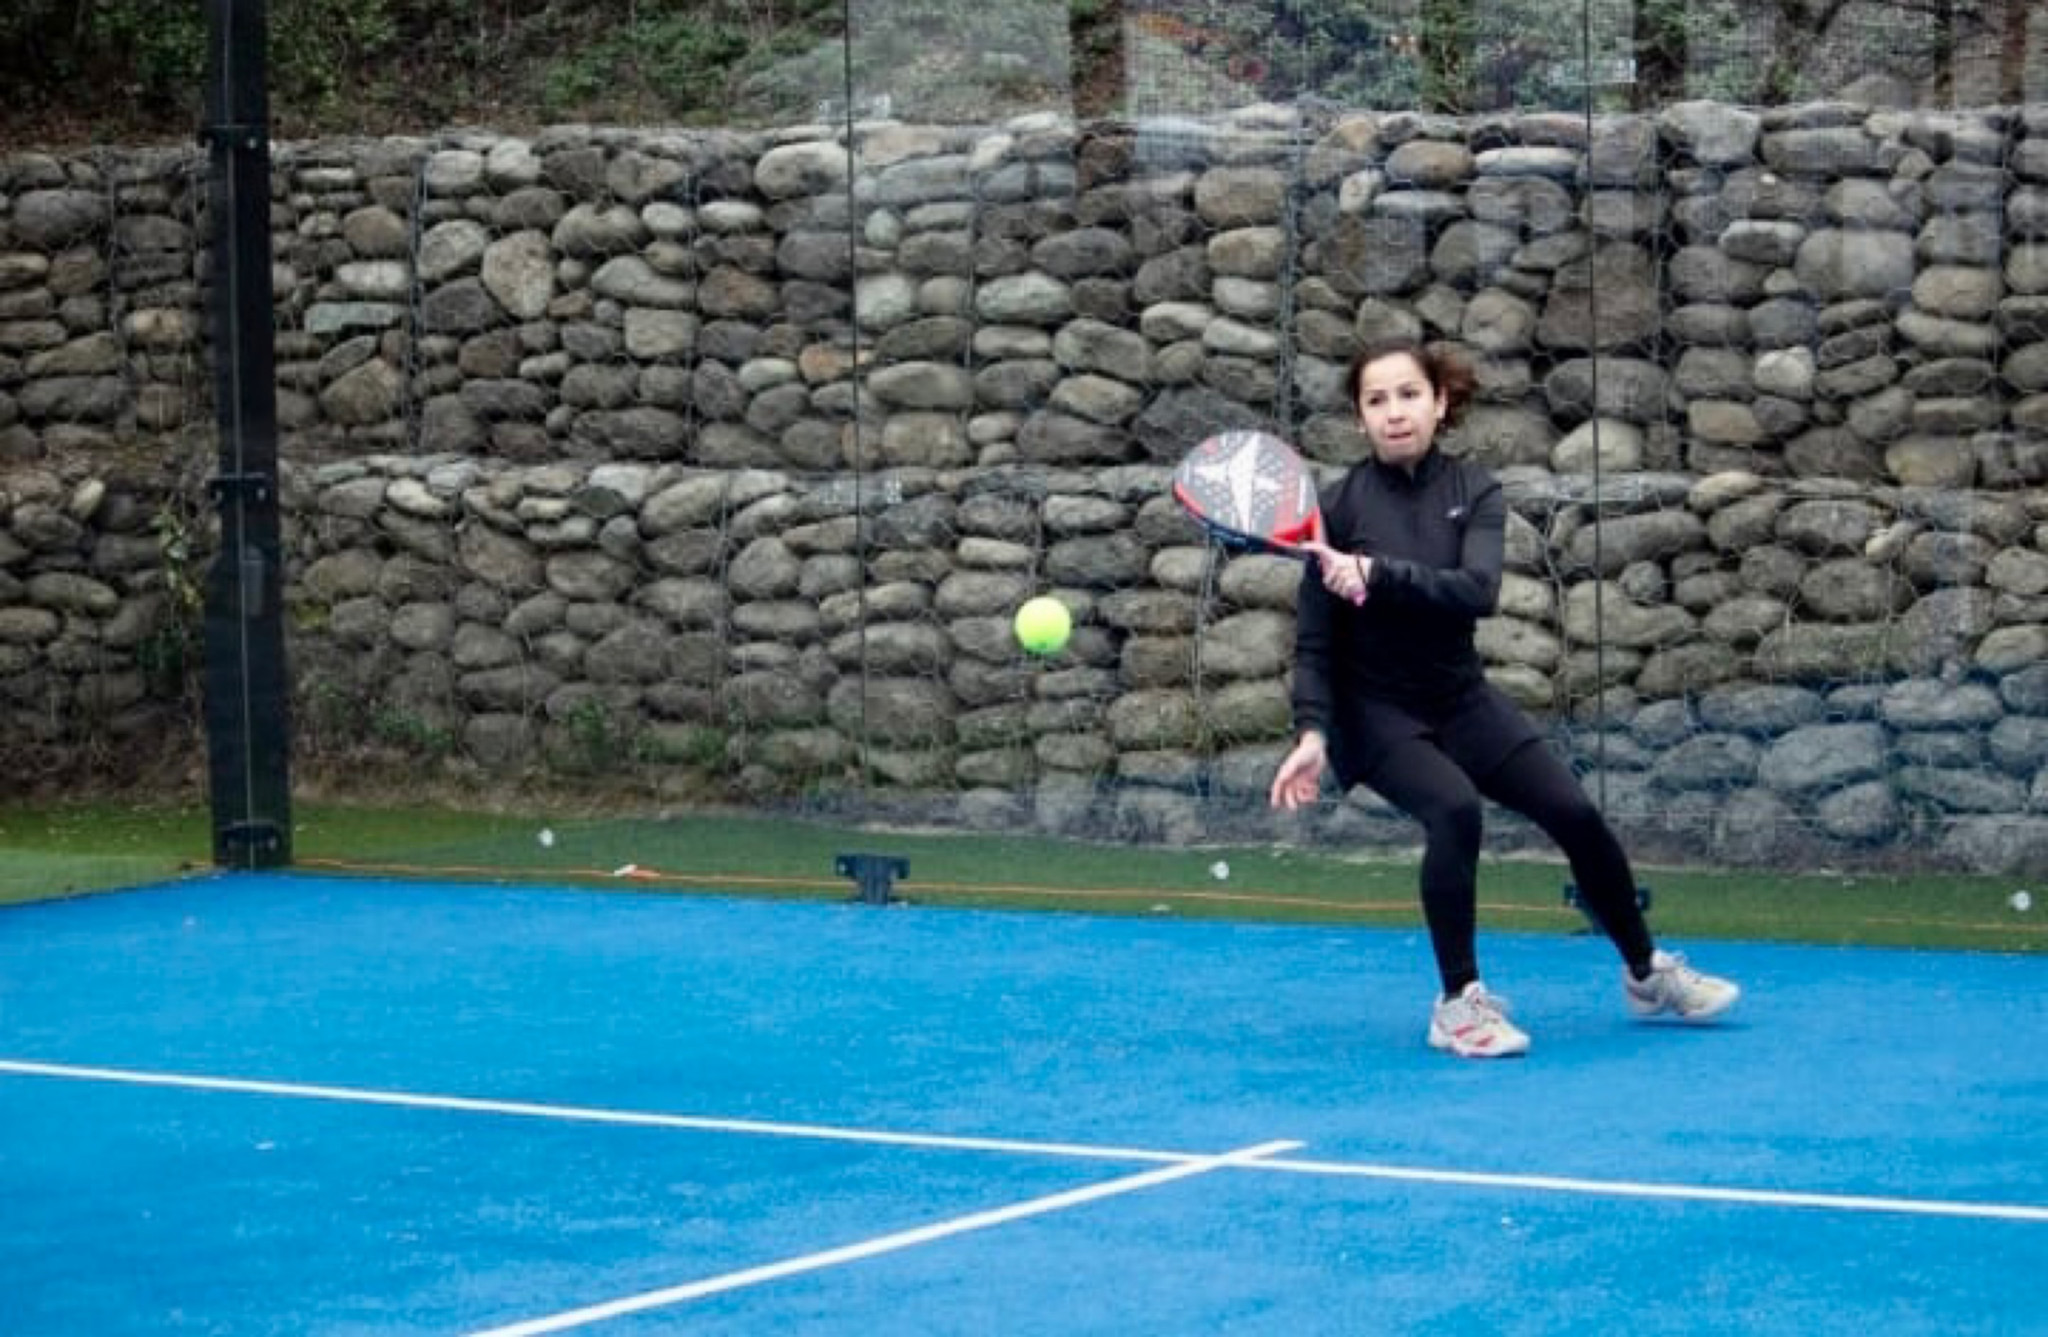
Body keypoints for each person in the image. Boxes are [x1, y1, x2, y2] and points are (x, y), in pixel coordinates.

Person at [1267, 336, 1739, 1058]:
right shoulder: (1335, 509)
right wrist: (1312, 734)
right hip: (1376, 714)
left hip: (1460, 699)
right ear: (1360, 418)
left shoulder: (1475, 491)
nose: (1395, 412)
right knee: (1454, 809)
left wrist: (1375, 574)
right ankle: (1458, 1004)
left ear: (1440, 402)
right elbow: (1313, 643)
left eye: (1409, 394)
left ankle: (1647, 973)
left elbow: (1476, 592)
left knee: (1574, 813)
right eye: (1376, 400)